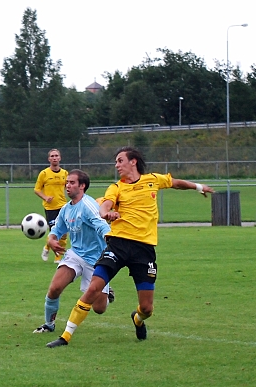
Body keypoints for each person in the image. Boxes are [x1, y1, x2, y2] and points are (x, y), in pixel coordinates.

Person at [46, 147, 214, 348]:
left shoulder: (153, 180)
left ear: (133, 162)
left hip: (144, 250)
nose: (116, 165)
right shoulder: (116, 188)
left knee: (146, 308)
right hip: (118, 245)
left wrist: (198, 187)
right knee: (93, 288)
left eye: (120, 161)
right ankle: (65, 337)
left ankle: (138, 319)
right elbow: (104, 207)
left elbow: (176, 183)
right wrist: (107, 214)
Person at [33, 170, 114, 334]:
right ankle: (49, 324)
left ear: (82, 186)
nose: (67, 186)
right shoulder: (66, 209)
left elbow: (103, 226)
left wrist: (110, 242)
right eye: (67, 182)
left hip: (96, 260)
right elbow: (57, 229)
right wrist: (51, 239)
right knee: (55, 288)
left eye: (71, 183)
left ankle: (107, 289)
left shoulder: (89, 206)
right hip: (75, 255)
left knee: (99, 308)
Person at [34, 149, 69, 263]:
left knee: (64, 233)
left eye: (56, 156)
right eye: (52, 156)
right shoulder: (44, 173)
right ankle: (52, 252)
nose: (54, 158)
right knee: (54, 232)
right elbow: (37, 189)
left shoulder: (64, 173)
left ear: (60, 158)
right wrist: (45, 197)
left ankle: (53, 253)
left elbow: (68, 188)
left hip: (63, 206)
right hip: (50, 208)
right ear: (49, 159)